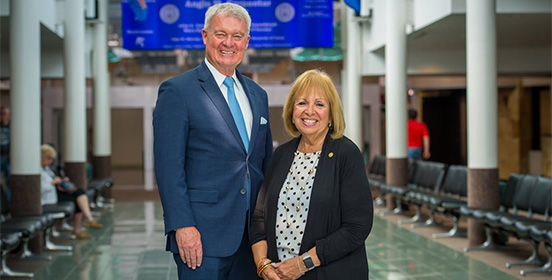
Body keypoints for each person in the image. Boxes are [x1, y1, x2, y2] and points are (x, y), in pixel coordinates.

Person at [153, 3, 273, 279]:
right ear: (205, 36)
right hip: (200, 236)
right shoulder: (178, 91)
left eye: (237, 36)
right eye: (221, 34)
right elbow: (169, 168)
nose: (229, 43)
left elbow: (263, 166)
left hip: (252, 237)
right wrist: (182, 225)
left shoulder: (258, 95)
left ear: (247, 41)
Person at [250, 69, 374, 280]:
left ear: (331, 112)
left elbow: (357, 227)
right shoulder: (281, 154)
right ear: (291, 110)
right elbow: (259, 216)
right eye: (301, 103)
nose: (309, 111)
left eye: (319, 104)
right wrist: (263, 265)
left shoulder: (346, 153)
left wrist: (302, 264)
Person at [40, 144, 102, 239]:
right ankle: (86, 221)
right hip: (46, 199)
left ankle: (85, 221)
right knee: (77, 199)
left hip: (54, 194)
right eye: (48, 158)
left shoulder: (47, 170)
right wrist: (53, 182)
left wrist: (60, 181)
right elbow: (38, 189)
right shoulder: (38, 171)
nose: (50, 161)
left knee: (79, 192)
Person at [0, 107, 10, 201]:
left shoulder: (12, 127)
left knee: (9, 181)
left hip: (9, 157)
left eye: (4, 113)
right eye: (1, 113)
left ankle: (8, 203)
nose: (3, 116)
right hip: (0, 156)